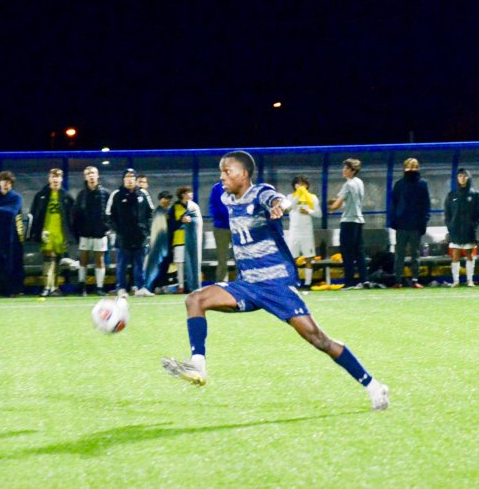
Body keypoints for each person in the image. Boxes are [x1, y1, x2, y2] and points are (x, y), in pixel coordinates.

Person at [161, 151, 389, 411]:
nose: (222, 176)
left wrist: (280, 206)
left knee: (319, 340)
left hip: (277, 284)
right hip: (247, 285)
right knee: (195, 299)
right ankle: (198, 365)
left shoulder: (261, 193)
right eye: (221, 171)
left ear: (244, 174)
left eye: (228, 171)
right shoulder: (226, 196)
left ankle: (374, 386)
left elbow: (277, 199)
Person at [107, 168, 154, 297]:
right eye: (127, 177)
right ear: (123, 179)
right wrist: (118, 230)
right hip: (123, 237)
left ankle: (141, 287)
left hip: (140, 236)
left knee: (140, 263)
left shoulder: (143, 194)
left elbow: (150, 213)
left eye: (132, 177)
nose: (129, 179)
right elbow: (109, 215)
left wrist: (145, 229)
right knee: (122, 264)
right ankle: (121, 288)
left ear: (135, 179)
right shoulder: (116, 195)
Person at [29, 168, 75, 297]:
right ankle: (46, 287)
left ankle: (54, 287)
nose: (55, 179)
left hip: (60, 233)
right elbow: (34, 214)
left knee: (57, 260)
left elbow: (72, 217)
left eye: (58, 177)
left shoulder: (66, 196)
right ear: (49, 179)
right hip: (47, 232)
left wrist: (69, 235)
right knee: (48, 258)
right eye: (53, 177)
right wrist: (37, 232)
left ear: (61, 179)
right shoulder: (41, 195)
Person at [389, 157, 431, 288]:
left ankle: (414, 280)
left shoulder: (422, 184)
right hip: (401, 225)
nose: (411, 169)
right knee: (399, 254)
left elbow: (426, 204)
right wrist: (394, 221)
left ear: (418, 168)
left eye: (414, 167)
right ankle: (398, 281)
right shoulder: (399, 184)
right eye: (409, 167)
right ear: (404, 168)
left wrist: (423, 221)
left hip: (416, 225)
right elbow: (394, 204)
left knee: (415, 254)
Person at [328, 158, 369, 289]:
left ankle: (349, 282)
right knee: (359, 252)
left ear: (352, 170)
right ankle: (364, 280)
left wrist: (330, 208)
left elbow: (338, 204)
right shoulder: (359, 182)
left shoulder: (348, 184)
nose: (343, 171)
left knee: (347, 253)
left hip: (348, 221)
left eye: (346, 168)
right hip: (359, 220)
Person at [73, 166, 112, 296]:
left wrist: (107, 228)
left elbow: (111, 212)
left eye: (93, 173)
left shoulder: (105, 193)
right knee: (83, 258)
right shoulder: (82, 194)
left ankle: (99, 287)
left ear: (98, 175)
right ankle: (82, 285)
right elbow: (76, 213)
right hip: (85, 232)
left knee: (99, 260)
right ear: (85, 177)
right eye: (88, 173)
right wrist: (78, 230)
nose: (91, 176)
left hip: (100, 232)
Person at [0, 171, 25, 297]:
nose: (5, 184)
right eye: (3, 181)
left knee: (11, 263)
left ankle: (12, 290)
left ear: (11, 183)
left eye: (8, 182)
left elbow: (12, 212)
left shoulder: (16, 197)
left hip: (12, 235)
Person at [444, 168, 479, 287]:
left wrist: (473, 225)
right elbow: (447, 213)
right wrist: (450, 226)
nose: (462, 178)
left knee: (469, 254)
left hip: (469, 230)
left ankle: (469, 280)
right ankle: (455, 281)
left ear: (468, 177)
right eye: (460, 176)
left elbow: (478, 213)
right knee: (455, 254)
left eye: (465, 176)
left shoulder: (475, 195)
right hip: (455, 229)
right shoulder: (452, 195)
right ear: (457, 178)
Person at [287, 175, 321, 288]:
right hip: (294, 232)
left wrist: (309, 211)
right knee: (292, 258)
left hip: (306, 232)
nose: (300, 186)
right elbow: (288, 208)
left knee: (308, 258)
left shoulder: (312, 198)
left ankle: (307, 282)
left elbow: (319, 214)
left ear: (307, 185)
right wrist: (298, 197)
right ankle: (293, 281)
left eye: (302, 184)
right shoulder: (290, 197)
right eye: (297, 184)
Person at [168, 186, 203, 293]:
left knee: (193, 262)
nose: (191, 194)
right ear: (183, 194)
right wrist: (181, 221)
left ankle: (193, 285)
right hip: (179, 239)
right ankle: (181, 286)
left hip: (192, 238)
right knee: (181, 263)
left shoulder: (193, 206)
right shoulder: (175, 207)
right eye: (189, 192)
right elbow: (171, 224)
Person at [145, 191, 175, 293]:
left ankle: (162, 285)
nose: (168, 201)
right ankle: (154, 286)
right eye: (165, 198)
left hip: (168, 243)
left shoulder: (169, 212)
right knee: (157, 265)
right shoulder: (158, 212)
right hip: (158, 245)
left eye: (169, 199)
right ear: (160, 200)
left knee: (165, 266)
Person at [209, 180, 233, 283]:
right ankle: (221, 282)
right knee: (222, 257)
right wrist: (219, 217)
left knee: (240, 256)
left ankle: (241, 282)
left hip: (237, 226)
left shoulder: (238, 185)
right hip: (221, 227)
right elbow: (213, 205)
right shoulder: (217, 188)